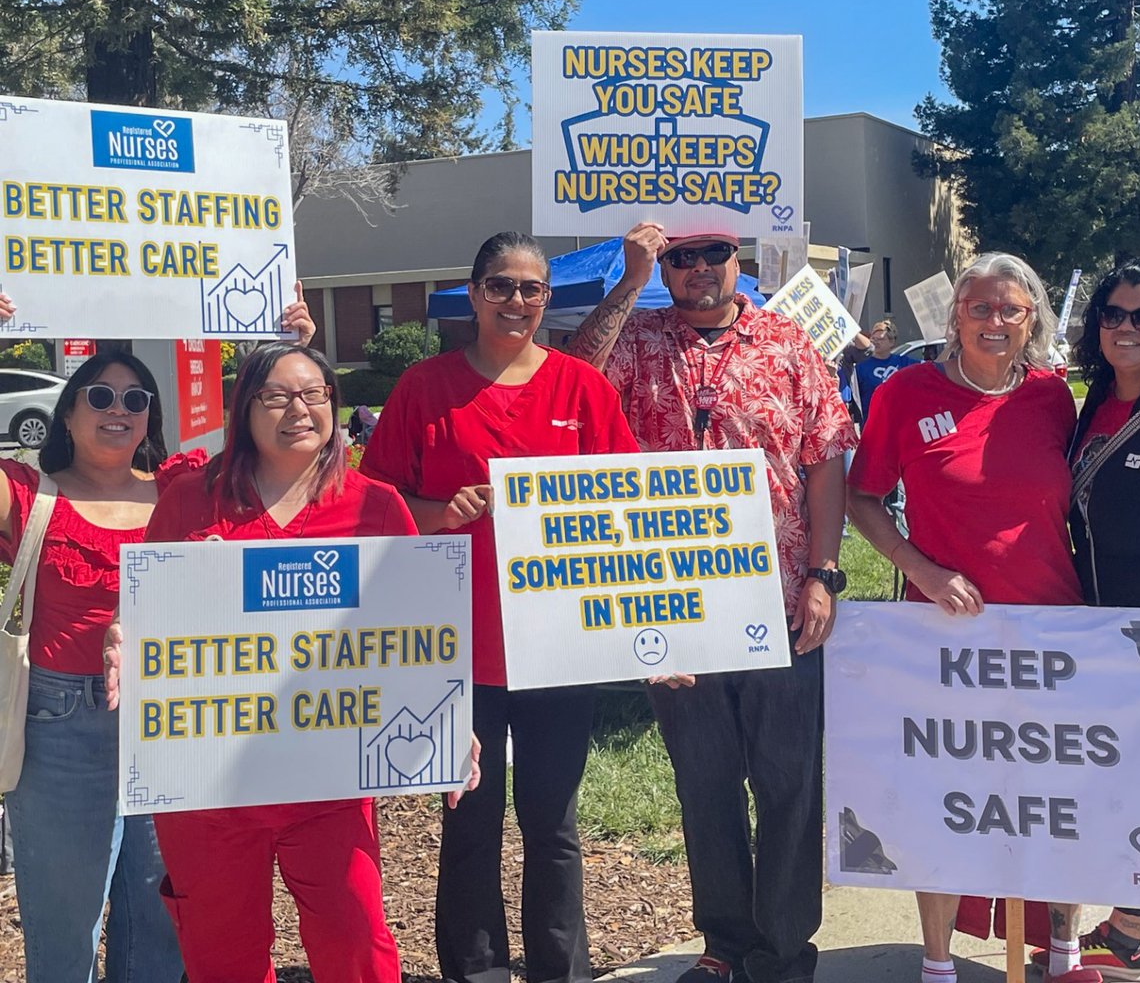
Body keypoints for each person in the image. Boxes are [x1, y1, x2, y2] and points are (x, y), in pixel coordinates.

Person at [570, 222, 856, 983]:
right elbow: (567, 379)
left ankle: (786, 946)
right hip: (673, 600)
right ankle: (726, 942)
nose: (698, 268)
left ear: (740, 261)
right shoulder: (637, 338)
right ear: (665, 267)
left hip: (782, 594)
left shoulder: (789, 342)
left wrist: (823, 576)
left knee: (789, 778)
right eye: (680, 258)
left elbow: (825, 461)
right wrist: (628, 281)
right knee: (704, 777)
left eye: (712, 254)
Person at [0, 288, 312, 983]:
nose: (118, 410)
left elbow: (283, 448)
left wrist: (286, 351)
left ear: (152, 418)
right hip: (62, 728)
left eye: (135, 400)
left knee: (166, 925)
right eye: (100, 397)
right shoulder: (27, 493)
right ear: (69, 411)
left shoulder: (184, 488)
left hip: (176, 721)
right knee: (64, 929)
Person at [103, 342, 434, 983]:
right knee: (222, 957)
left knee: (357, 945)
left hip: (330, 778)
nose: (298, 410)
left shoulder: (376, 507)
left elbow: (414, 638)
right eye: (277, 396)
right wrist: (123, 636)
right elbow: (146, 617)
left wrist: (451, 723)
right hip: (209, 784)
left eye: (314, 395)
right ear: (244, 408)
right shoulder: (187, 503)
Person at [360, 231, 639, 983]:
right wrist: (437, 510)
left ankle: (561, 970)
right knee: (469, 822)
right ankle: (475, 971)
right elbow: (372, 506)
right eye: (502, 286)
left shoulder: (584, 389)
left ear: (548, 298)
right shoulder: (425, 388)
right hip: (458, 648)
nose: (518, 301)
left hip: (559, 648)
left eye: (532, 289)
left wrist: (661, 636)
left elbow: (630, 515)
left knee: (553, 824)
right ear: (474, 292)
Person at [845, 252, 1099, 983]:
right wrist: (920, 569)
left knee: (1054, 798)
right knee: (944, 799)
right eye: (979, 307)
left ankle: (1064, 951)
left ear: (1032, 320)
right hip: (943, 637)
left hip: (1052, 631)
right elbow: (865, 498)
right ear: (954, 314)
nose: (994, 321)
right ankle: (936, 963)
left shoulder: (1054, 397)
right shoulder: (903, 394)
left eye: (1010, 309)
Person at [1029, 258, 1140, 983]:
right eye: (1112, 314)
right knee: (1134, 784)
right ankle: (1127, 932)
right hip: (1108, 634)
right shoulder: (1094, 402)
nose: (1124, 328)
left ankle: (1129, 931)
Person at [852, 318, 918, 423]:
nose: (876, 342)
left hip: (900, 422)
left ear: (892, 342)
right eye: (873, 339)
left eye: (881, 339)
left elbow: (933, 368)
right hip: (872, 424)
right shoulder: (861, 366)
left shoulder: (903, 362)